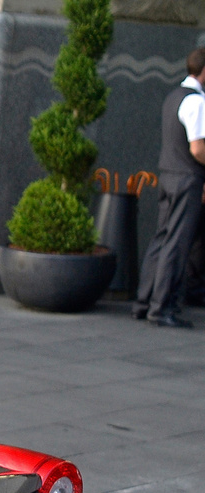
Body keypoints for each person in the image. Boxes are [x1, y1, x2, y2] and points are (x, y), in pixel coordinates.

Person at [134, 47, 205, 327]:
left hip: (168, 175)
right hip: (187, 178)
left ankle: (144, 302)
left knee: (161, 239)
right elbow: (198, 149)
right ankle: (162, 307)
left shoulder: (173, 96)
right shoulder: (197, 102)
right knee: (177, 242)